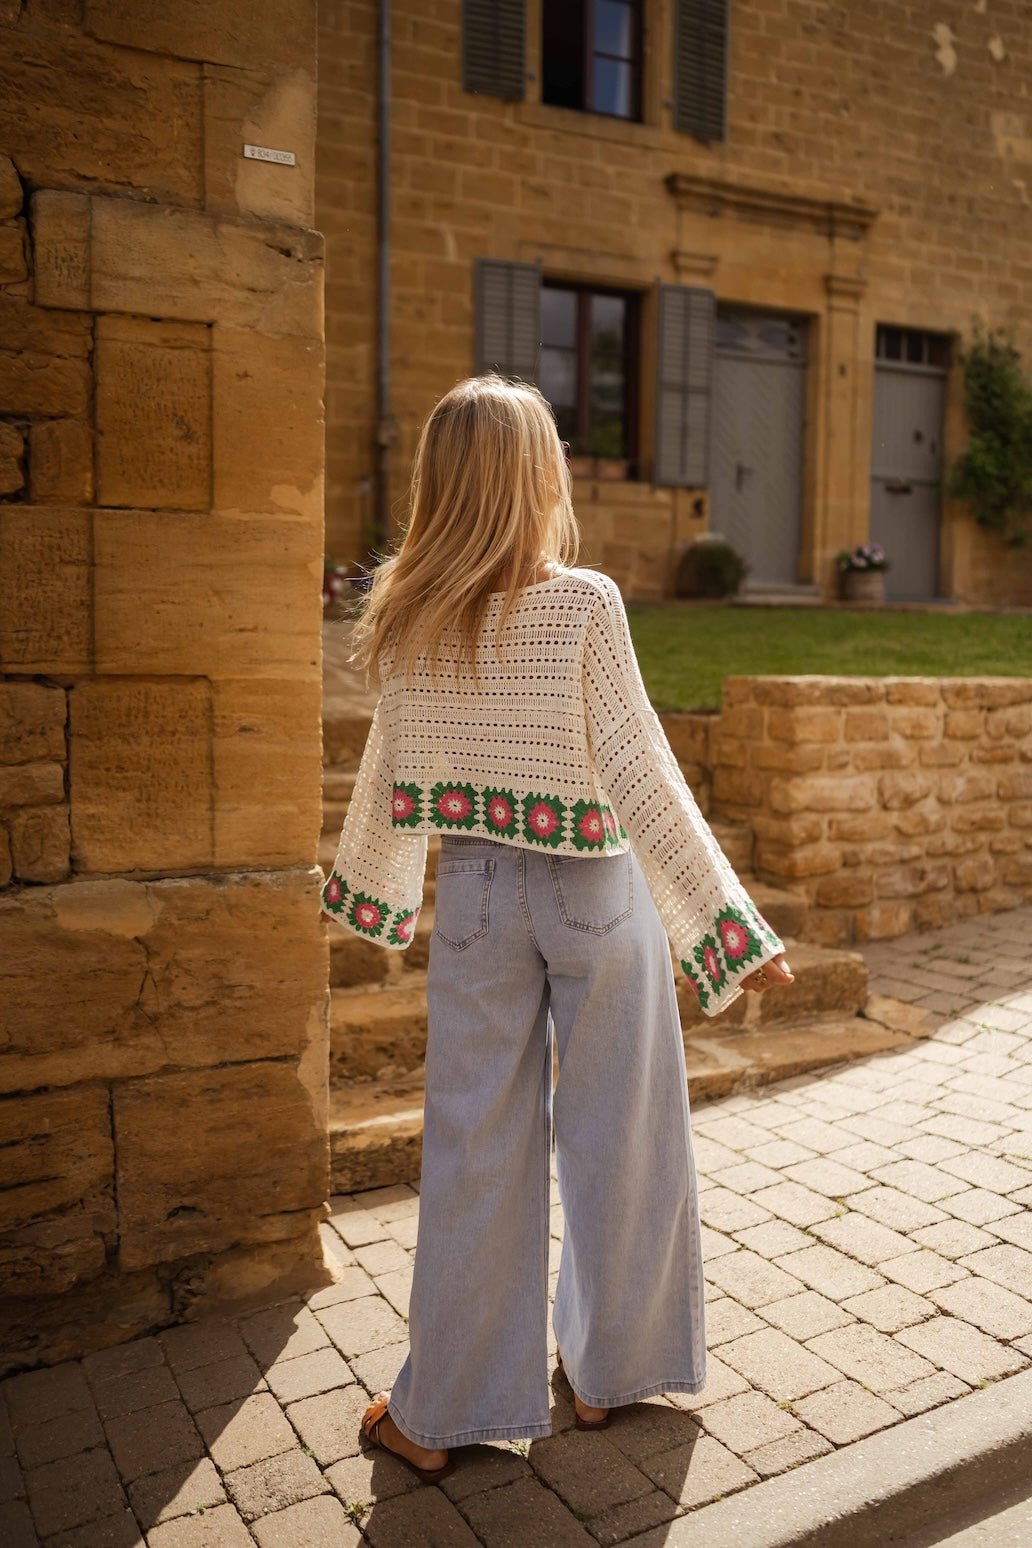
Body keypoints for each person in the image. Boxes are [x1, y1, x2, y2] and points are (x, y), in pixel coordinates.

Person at [321, 374, 794, 1484]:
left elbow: (390, 773)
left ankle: (438, 1415)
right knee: (621, 1134)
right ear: (542, 479)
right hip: (596, 890)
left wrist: (370, 897)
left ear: (440, 483)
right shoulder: (583, 603)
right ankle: (605, 1378)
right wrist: (728, 926)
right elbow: (639, 771)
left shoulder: (408, 609)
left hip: (480, 893)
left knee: (472, 1145)